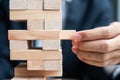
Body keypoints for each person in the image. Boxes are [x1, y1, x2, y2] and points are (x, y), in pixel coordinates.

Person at [0, 0, 119, 80]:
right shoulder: (8, 4)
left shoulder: (96, 5)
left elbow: (98, 69)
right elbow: (2, 60)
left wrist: (112, 56)